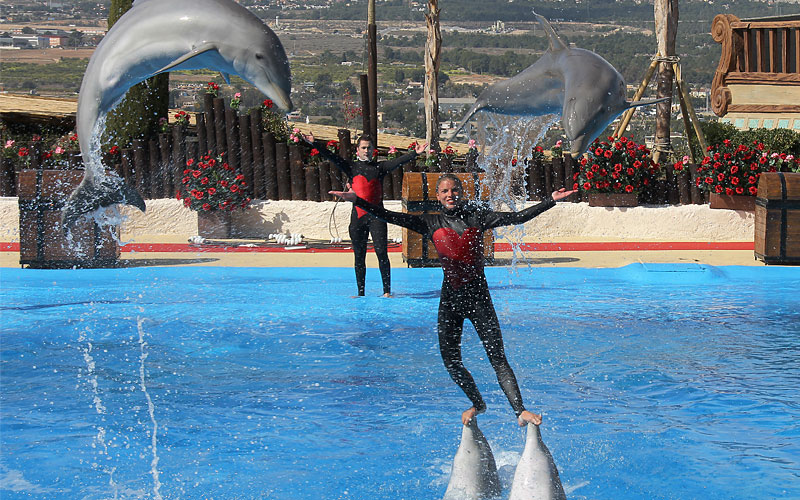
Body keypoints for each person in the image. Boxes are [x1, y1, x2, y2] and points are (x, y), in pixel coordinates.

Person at [331, 174, 575, 425]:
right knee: (450, 361)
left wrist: (550, 200)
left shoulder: (477, 218)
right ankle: (478, 404)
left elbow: (516, 218)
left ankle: (520, 410)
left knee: (497, 358)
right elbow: (391, 217)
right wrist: (358, 201)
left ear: (461, 192)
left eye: (455, 189)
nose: (450, 194)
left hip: (479, 298)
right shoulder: (430, 222)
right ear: (438, 196)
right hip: (450, 300)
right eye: (445, 191)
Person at [304, 132, 427, 297]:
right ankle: (361, 292)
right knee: (359, 256)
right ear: (357, 150)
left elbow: (397, 162)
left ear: (373, 150)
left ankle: (386, 291)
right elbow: (332, 157)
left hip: (377, 217)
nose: (366, 150)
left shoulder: (380, 168)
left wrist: (414, 154)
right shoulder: (351, 167)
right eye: (363, 148)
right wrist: (315, 144)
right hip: (358, 218)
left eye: (369, 148)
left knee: (382, 253)